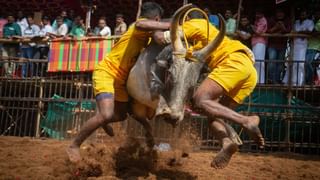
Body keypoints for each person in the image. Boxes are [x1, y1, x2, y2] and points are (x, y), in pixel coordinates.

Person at [153, 8, 264, 169]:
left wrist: (152, 24)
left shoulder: (196, 24)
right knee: (213, 115)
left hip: (233, 62)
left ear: (189, 19)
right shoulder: (204, 39)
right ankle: (226, 143)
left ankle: (246, 120)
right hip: (249, 72)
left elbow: (160, 38)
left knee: (200, 100)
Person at [66, 2, 171, 163]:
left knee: (121, 114)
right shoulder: (138, 26)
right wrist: (171, 24)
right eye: (159, 21)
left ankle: (103, 120)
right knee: (107, 114)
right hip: (106, 73)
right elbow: (142, 23)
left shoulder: (147, 35)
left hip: (121, 80)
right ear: (156, 18)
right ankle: (74, 145)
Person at [283, 9, 314, 86]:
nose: (302, 15)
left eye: (304, 14)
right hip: (294, 44)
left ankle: (299, 82)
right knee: (292, 63)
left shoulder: (310, 22)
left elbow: (309, 31)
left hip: (302, 45)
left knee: (300, 63)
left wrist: (298, 33)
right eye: (301, 14)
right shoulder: (296, 22)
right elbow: (292, 32)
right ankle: (290, 81)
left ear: (307, 15)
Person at [266, 9, 291, 84]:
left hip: (282, 45)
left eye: (281, 12)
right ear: (276, 13)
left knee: (280, 64)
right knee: (271, 62)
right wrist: (276, 27)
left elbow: (288, 30)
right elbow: (268, 31)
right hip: (272, 45)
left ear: (284, 14)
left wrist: (282, 27)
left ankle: (276, 80)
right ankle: (271, 79)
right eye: (278, 12)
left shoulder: (287, 20)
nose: (280, 14)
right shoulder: (271, 20)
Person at [252, 9, 268, 84]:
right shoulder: (257, 20)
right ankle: (256, 80)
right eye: (256, 14)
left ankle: (260, 81)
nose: (257, 15)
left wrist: (252, 27)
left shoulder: (263, 20)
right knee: (255, 61)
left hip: (260, 42)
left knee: (259, 61)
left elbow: (258, 31)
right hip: (255, 42)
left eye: (258, 13)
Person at [305, 10, 320, 84]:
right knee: (308, 63)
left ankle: (310, 80)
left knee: (308, 63)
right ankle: (310, 80)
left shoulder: (318, 22)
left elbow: (314, 32)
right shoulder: (314, 22)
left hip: (315, 47)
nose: (316, 14)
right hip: (309, 46)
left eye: (318, 13)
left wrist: (309, 31)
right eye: (316, 13)